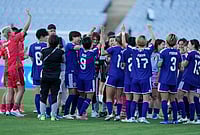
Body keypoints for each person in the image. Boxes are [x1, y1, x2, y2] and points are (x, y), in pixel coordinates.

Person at [121, 24, 155, 124]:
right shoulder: (148, 51)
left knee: (134, 99)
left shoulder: (134, 50)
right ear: (145, 42)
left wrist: (123, 32)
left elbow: (124, 43)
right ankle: (142, 117)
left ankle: (131, 117)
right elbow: (153, 41)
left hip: (135, 78)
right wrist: (150, 29)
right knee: (145, 98)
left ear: (137, 42)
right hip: (145, 78)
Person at [1, 9, 31, 116]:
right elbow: (25, 29)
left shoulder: (6, 44)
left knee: (10, 90)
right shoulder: (14, 39)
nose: (14, 32)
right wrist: (29, 17)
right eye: (12, 31)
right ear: (10, 33)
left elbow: (11, 55)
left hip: (9, 68)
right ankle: (15, 109)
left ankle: (7, 110)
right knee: (21, 89)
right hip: (16, 68)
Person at [101, 27, 125, 121]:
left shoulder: (114, 48)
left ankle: (110, 113)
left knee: (109, 97)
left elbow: (103, 53)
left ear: (116, 41)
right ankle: (118, 115)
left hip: (113, 74)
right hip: (121, 75)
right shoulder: (124, 50)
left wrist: (103, 44)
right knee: (119, 97)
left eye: (114, 41)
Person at [158, 34, 182, 124]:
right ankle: (175, 119)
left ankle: (166, 119)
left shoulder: (163, 52)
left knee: (164, 100)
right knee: (173, 100)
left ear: (167, 41)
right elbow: (181, 67)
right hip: (173, 79)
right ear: (175, 42)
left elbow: (159, 65)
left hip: (164, 79)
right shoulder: (178, 53)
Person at [39, 34, 64, 121]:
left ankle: (42, 115)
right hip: (56, 76)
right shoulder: (60, 52)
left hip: (45, 75)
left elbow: (41, 59)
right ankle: (53, 115)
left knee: (43, 95)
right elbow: (63, 61)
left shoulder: (44, 51)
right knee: (54, 95)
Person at [76, 36, 100, 120]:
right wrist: (102, 32)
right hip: (89, 78)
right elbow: (101, 45)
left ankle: (80, 112)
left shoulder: (81, 50)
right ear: (90, 45)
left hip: (80, 77)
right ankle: (80, 113)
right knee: (89, 97)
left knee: (81, 96)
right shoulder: (92, 52)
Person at [178, 39, 200, 124]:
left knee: (179, 96)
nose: (188, 45)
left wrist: (180, 62)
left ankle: (183, 116)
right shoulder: (199, 55)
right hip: (195, 79)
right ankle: (191, 119)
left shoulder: (191, 53)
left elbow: (185, 64)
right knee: (191, 99)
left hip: (187, 78)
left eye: (189, 44)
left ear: (193, 45)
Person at [29, 28, 48, 117]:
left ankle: (39, 113)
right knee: (47, 93)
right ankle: (48, 112)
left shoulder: (32, 46)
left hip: (36, 72)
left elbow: (32, 59)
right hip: (45, 73)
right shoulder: (47, 46)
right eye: (46, 35)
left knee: (37, 93)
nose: (48, 37)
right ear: (42, 36)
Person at [64, 31, 81, 119]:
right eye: (77, 37)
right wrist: (86, 45)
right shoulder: (69, 45)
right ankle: (66, 113)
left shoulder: (77, 48)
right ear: (72, 38)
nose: (79, 38)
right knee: (72, 93)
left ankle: (72, 112)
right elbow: (77, 47)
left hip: (77, 73)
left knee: (77, 93)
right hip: (70, 72)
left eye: (79, 37)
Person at [147, 39, 165, 119]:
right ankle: (154, 114)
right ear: (157, 45)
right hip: (154, 75)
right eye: (162, 44)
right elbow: (158, 68)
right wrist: (158, 77)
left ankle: (151, 113)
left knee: (152, 97)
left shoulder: (150, 54)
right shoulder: (158, 55)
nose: (164, 46)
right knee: (156, 96)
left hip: (150, 76)